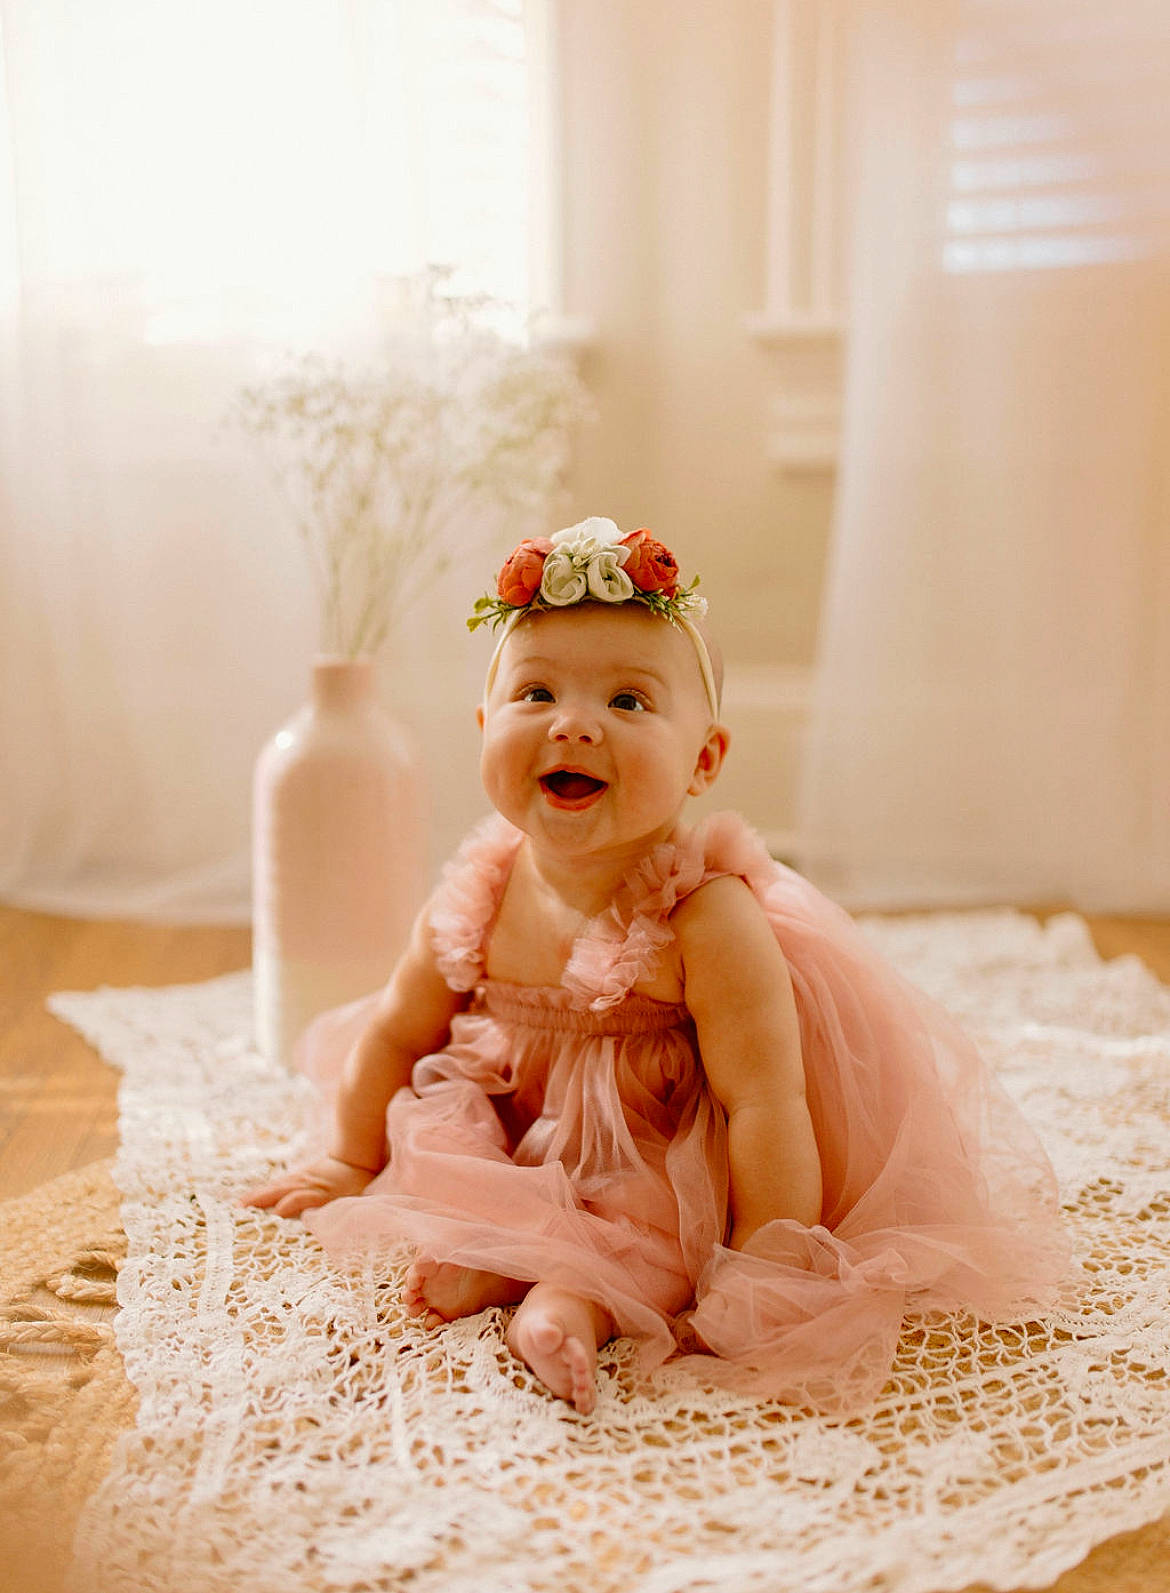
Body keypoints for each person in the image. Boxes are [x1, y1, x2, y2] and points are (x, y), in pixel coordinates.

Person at [243, 516, 1068, 1416]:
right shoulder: (480, 890)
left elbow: (765, 1101)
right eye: (536, 693)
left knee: (657, 1226)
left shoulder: (705, 917)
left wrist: (767, 1255)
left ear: (703, 760)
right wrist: (348, 1158)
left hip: (658, 1143)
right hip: (522, 1123)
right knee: (448, 1146)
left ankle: (574, 1303)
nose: (573, 724)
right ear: (484, 726)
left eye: (628, 702)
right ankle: (501, 1255)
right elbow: (398, 1034)